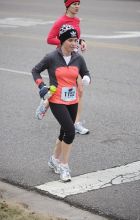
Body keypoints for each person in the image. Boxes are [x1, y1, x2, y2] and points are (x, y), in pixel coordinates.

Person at [32, 25, 91, 182]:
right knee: (70, 131)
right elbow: (35, 70)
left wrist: (86, 79)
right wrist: (41, 85)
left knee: (63, 132)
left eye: (75, 40)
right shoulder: (51, 57)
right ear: (62, 40)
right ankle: (64, 166)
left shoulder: (78, 58)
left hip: (72, 99)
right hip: (56, 98)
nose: (74, 44)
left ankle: (54, 159)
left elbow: (85, 72)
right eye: (70, 40)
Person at [35, 0, 89, 135]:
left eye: (78, 4)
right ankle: (47, 102)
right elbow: (49, 39)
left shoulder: (77, 20)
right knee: (60, 89)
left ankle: (75, 123)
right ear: (67, 5)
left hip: (74, 57)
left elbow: (76, 37)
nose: (77, 7)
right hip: (62, 57)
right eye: (74, 4)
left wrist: (80, 42)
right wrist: (65, 42)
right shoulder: (60, 21)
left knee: (80, 90)